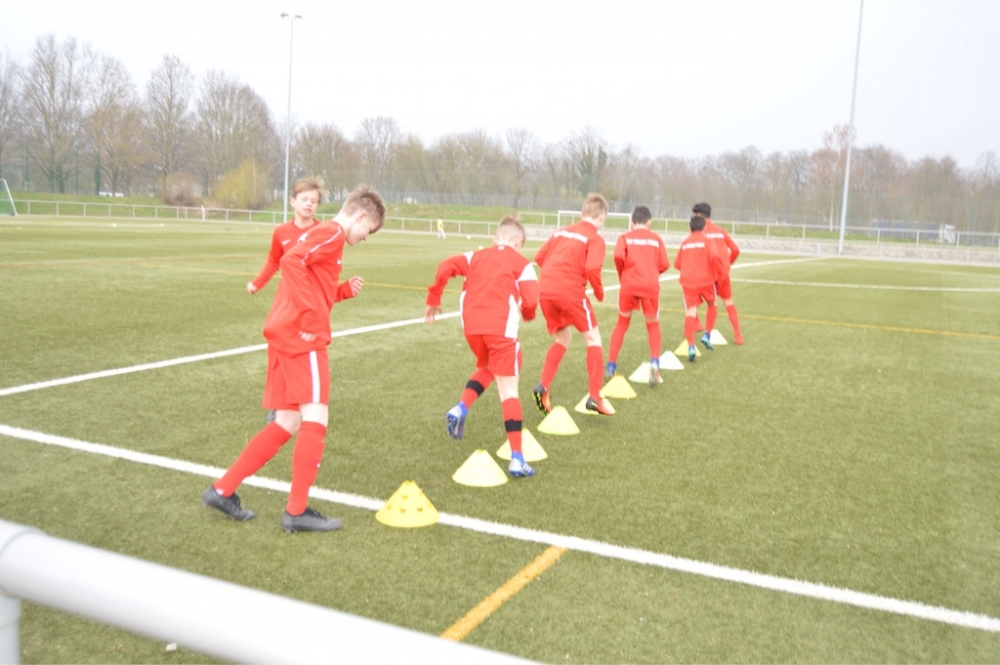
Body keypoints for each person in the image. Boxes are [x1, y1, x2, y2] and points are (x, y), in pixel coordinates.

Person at [202, 184, 386, 533]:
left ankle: (222, 490)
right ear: (361, 216)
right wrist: (311, 318)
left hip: (285, 333)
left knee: (287, 421)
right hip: (302, 337)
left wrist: (342, 291)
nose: (366, 237)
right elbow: (290, 261)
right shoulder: (332, 232)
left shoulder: (326, 235)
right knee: (316, 416)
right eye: (369, 230)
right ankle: (296, 511)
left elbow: (312, 284)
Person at [425, 216, 540, 477]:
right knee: (509, 391)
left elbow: (445, 266)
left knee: (489, 366)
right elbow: (532, 299)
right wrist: (528, 314)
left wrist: (434, 298)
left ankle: (461, 407)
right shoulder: (522, 264)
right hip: (500, 329)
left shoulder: (474, 256)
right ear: (519, 243)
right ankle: (517, 458)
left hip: (472, 328)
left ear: (495, 239)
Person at [247, 177, 324, 423]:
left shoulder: (322, 232)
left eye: (314, 201)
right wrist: (258, 283)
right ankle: (279, 403)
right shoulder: (281, 232)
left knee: (305, 351)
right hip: (286, 302)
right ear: (293, 201)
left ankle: (306, 401)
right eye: (304, 199)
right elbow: (274, 260)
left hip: (310, 303)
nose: (309, 204)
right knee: (279, 350)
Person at [532, 193, 613, 416]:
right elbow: (592, 269)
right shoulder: (595, 238)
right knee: (593, 339)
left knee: (563, 338)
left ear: (582, 213)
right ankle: (594, 397)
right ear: (602, 217)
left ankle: (543, 386)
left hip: (545, 291)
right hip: (570, 292)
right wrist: (599, 293)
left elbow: (539, 257)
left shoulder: (561, 232)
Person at [606, 205, 670, 386]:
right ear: (649, 222)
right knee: (652, 324)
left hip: (629, 284)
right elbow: (665, 263)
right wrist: (652, 272)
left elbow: (617, 255)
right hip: (650, 286)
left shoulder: (624, 237)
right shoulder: (656, 239)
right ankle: (655, 362)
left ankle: (611, 365)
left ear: (632, 222)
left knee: (622, 323)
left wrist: (624, 273)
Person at [674, 215, 726, 362]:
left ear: (690, 228)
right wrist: (720, 273)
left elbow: (677, 264)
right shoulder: (708, 241)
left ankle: (691, 346)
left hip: (689, 283)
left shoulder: (685, 243)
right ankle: (707, 335)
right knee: (712, 304)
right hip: (706, 281)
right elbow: (715, 257)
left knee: (690, 312)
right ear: (704, 228)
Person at [693, 202, 744, 346]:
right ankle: (738, 335)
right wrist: (726, 264)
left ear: (698, 215)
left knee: (694, 297)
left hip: (707, 274)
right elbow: (735, 250)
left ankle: (698, 325)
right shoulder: (720, 230)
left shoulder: (697, 230)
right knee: (728, 302)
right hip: (722, 273)